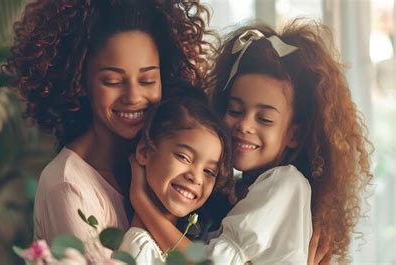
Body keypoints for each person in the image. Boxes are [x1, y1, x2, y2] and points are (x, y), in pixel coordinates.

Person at [129, 19, 374, 264]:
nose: (245, 125)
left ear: (294, 135)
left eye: (264, 119)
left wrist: (141, 201)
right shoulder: (235, 192)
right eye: (235, 110)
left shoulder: (285, 184)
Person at [3, 0, 215, 262]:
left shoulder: (167, 167)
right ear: (80, 82)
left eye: (148, 80)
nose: (133, 96)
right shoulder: (68, 185)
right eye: (113, 81)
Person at [118, 90, 233, 264]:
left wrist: (140, 198)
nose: (196, 178)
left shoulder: (200, 236)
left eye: (209, 172)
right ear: (145, 152)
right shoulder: (139, 247)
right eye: (184, 157)